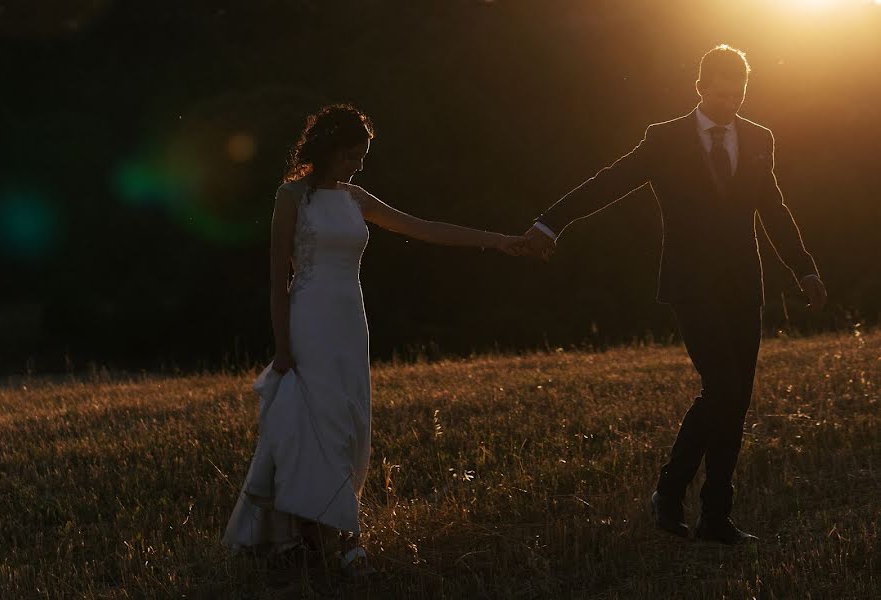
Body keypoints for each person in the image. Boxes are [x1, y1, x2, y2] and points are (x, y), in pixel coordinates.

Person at [520, 45, 828, 544]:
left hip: (743, 287)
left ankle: (716, 516)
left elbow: (772, 208)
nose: (731, 103)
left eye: (739, 94)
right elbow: (609, 183)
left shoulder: (758, 138)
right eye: (722, 93)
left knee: (738, 400)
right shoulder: (664, 140)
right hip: (691, 284)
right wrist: (550, 222)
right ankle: (669, 491)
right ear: (701, 87)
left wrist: (805, 270)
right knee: (722, 388)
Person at [222, 103, 525, 573]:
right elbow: (277, 278)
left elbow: (424, 228)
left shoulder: (356, 199)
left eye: (361, 156)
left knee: (349, 421)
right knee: (314, 422)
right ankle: (337, 539)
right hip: (310, 320)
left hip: (350, 323)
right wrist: (282, 347)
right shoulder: (291, 197)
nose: (357, 164)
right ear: (325, 151)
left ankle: (323, 534)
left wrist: (499, 239)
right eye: (350, 155)